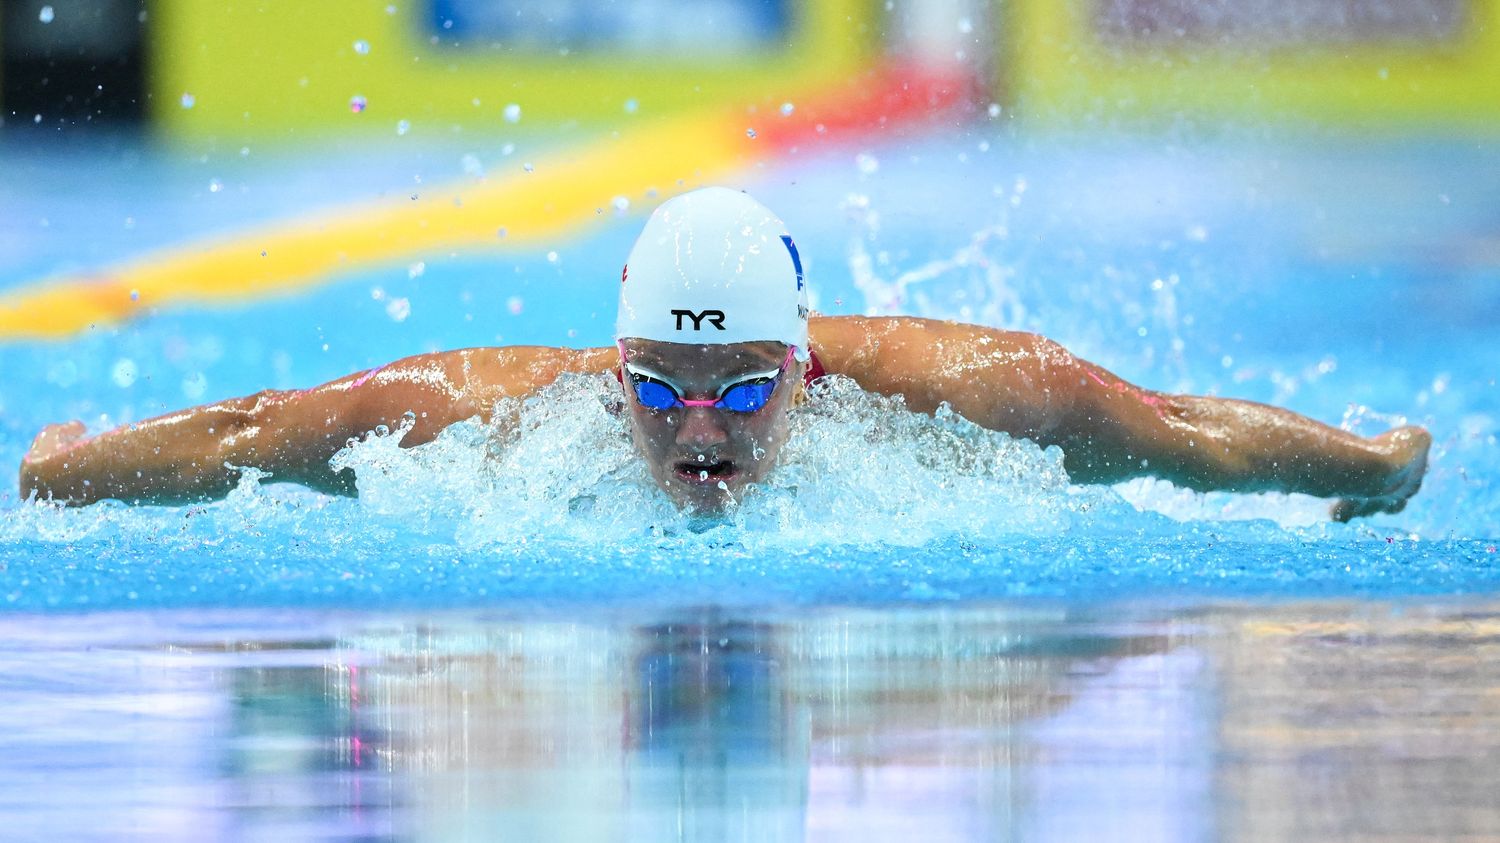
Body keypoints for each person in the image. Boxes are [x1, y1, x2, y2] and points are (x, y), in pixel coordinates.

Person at [19, 187, 1429, 521]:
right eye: (663, 389)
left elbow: (1178, 427)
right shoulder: (486, 421)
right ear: (612, 362)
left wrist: (1367, 467)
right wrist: (69, 474)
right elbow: (257, 426)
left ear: (805, 368)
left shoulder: (979, 398)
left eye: (746, 386)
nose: (703, 430)